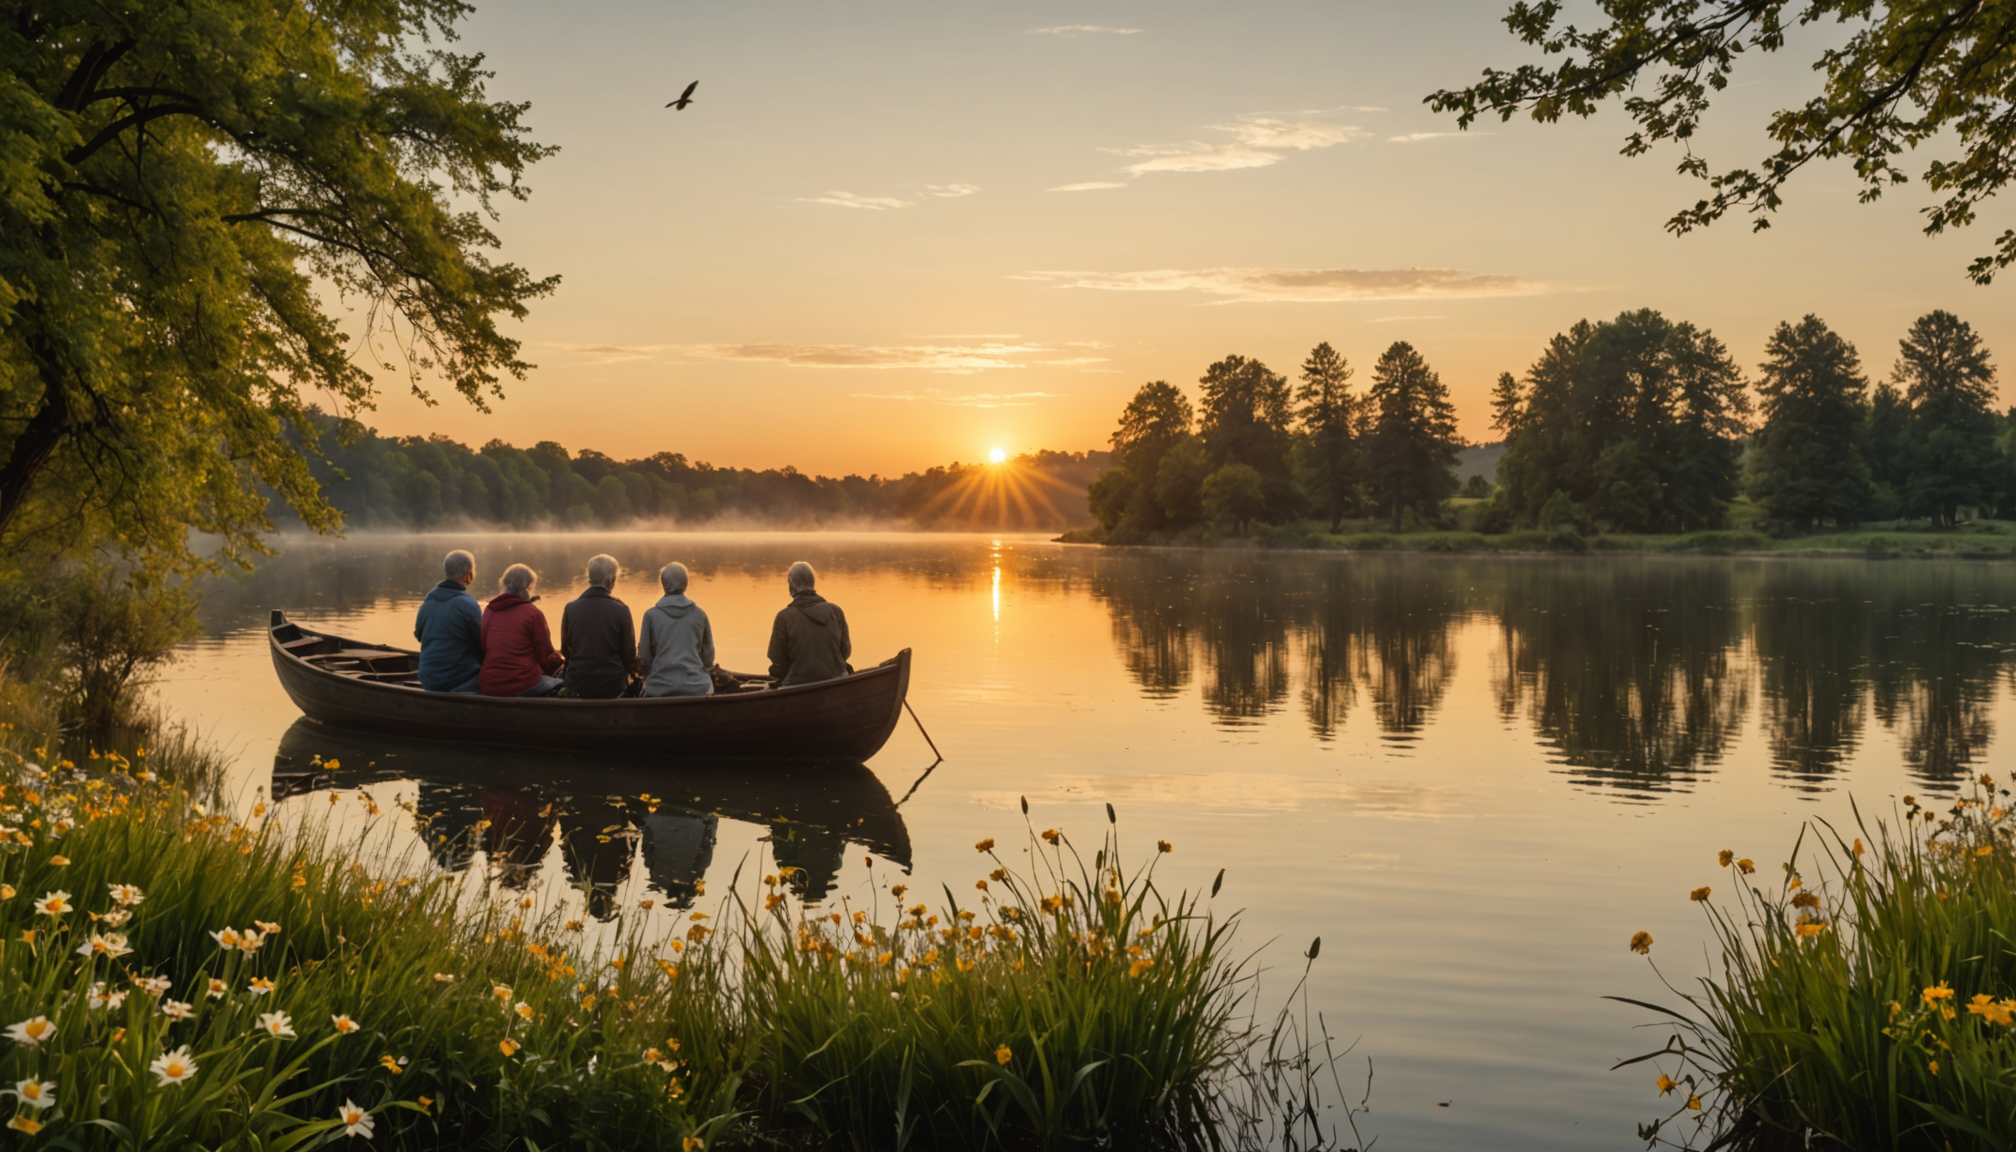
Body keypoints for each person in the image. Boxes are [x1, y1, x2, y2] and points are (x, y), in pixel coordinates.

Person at [480, 563, 563, 697]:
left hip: (489, 684)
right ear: (527, 587)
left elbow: (484, 646)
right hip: (522, 684)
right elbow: (546, 656)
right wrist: (559, 665)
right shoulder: (533, 613)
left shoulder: (489, 610)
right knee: (561, 684)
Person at [560, 554, 636, 699]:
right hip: (612, 684)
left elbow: (565, 648)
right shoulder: (622, 610)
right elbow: (629, 653)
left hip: (578, 682)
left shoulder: (570, 608)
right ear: (610, 579)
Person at [637, 562, 715, 697]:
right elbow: (708, 654)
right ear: (686, 585)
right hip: (698, 687)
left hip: (659, 688)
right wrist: (703, 672)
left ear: (663, 585)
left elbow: (644, 653)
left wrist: (651, 675)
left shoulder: (651, 615)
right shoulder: (700, 614)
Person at [766, 561, 851, 686]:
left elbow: (777, 659)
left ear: (791, 586)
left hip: (797, 684)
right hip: (837, 679)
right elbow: (846, 652)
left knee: (773, 672)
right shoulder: (836, 611)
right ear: (812, 583)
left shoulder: (783, 617)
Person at [414, 550, 483, 693]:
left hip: (428, 679)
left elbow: (419, 636)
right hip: (458, 681)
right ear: (469, 575)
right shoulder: (468, 605)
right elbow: (483, 644)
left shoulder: (428, 602)